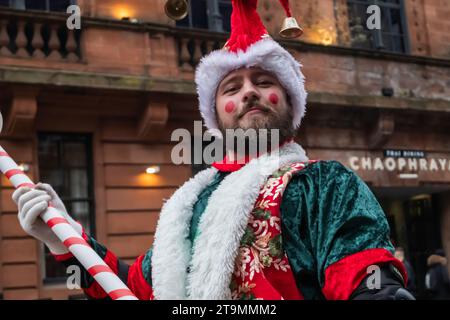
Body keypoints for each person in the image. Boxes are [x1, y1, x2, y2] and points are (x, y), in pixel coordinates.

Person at [11, 0, 413, 300]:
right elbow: (131, 287)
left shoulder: (326, 185)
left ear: (289, 100)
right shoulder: (187, 204)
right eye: (232, 88)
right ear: (217, 114)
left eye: (262, 80)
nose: (250, 92)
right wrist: (65, 240)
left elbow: (367, 280)